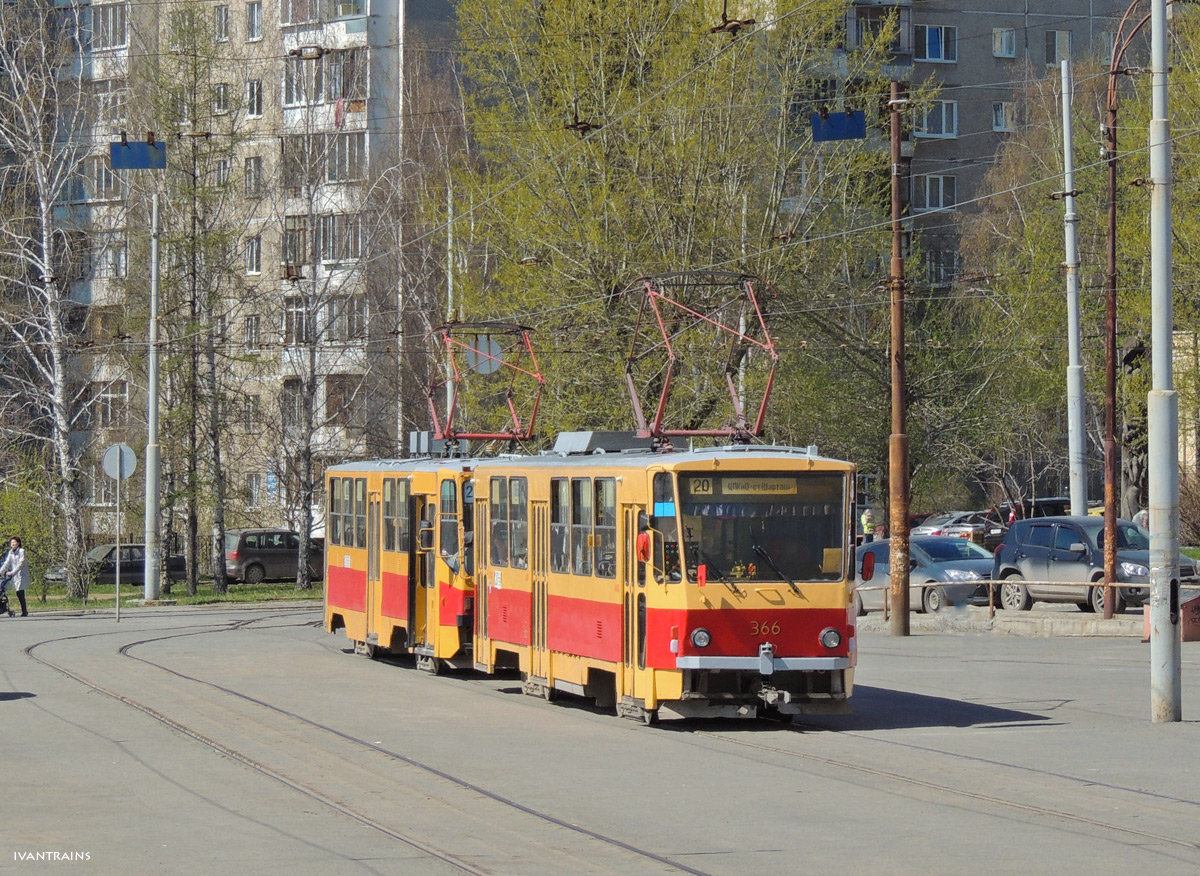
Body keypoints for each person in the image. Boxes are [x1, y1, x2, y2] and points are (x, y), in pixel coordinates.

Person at [0, 536, 29, 617]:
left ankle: (24, 611)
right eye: (11, 542)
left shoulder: (21, 551)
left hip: (21, 574)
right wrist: (1, 572)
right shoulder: (11, 552)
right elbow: (7, 563)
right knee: (18, 591)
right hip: (14, 574)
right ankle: (24, 610)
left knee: (20, 592)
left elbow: (21, 563)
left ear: (18, 543)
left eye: (14, 542)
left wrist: (12, 572)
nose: (13, 544)